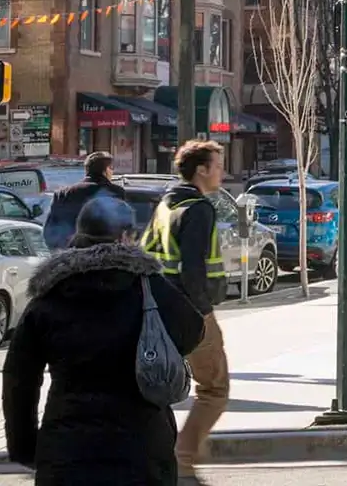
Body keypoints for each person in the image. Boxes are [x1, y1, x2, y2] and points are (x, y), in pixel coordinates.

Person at [5, 194, 206, 485]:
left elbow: (18, 378)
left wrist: (24, 446)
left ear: (78, 235)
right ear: (125, 237)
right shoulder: (149, 287)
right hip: (141, 449)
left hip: (68, 452)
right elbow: (193, 332)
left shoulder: (50, 293)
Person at [142, 139, 229, 482]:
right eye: (218, 165)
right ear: (201, 170)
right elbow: (193, 270)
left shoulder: (165, 204)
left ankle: (161, 457)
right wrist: (203, 314)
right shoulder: (199, 209)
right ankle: (182, 459)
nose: (222, 172)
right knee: (214, 390)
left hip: (158, 309)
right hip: (192, 312)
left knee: (158, 390)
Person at [41, 152, 127, 251]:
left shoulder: (64, 194)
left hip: (71, 255)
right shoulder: (115, 192)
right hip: (105, 255)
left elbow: (49, 231)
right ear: (106, 170)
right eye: (112, 168)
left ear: (86, 170)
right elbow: (122, 228)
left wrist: (60, 251)